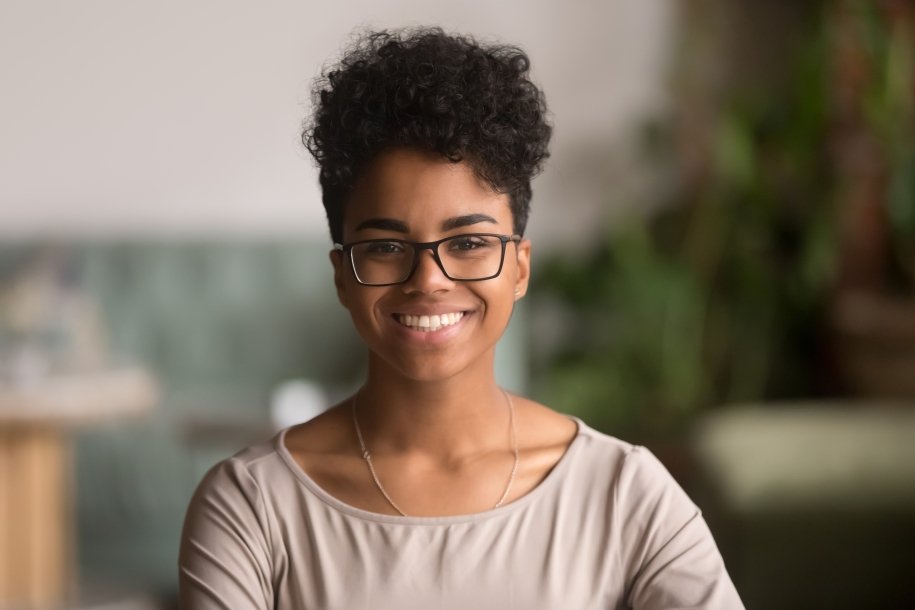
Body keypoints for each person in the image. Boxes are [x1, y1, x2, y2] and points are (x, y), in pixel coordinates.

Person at [178, 27, 744, 609]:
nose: (429, 281)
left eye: (469, 242)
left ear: (519, 268)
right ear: (342, 275)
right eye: (387, 246)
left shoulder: (622, 494)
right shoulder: (251, 507)